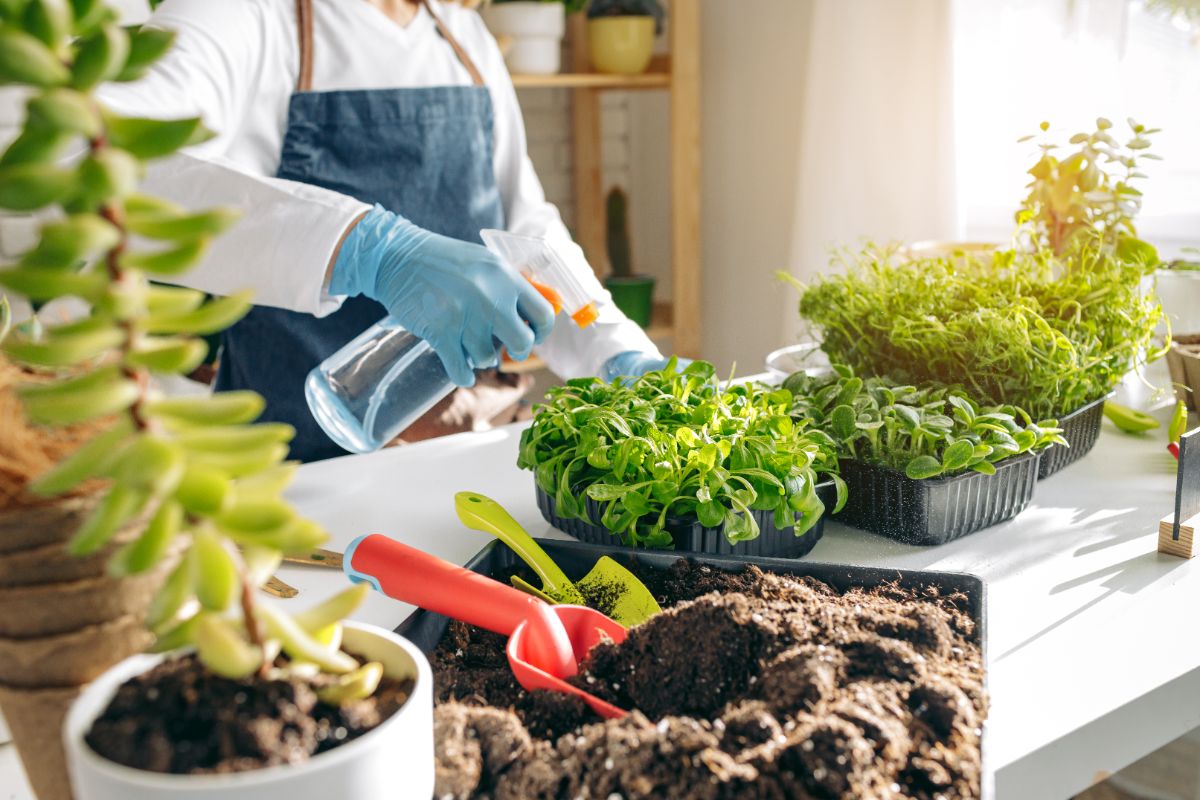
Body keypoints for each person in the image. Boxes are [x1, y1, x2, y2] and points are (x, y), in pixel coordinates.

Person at [98, 0, 679, 462]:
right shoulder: (243, 15)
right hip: (298, 464)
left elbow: (524, 228)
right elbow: (112, 166)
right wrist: (370, 249)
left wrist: (615, 352)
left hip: (466, 445)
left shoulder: (463, 37)